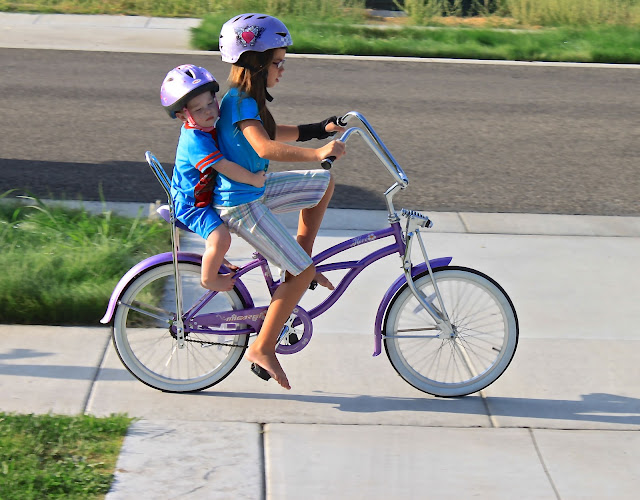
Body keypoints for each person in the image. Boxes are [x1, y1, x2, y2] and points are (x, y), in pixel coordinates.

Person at [216, 13, 347, 390]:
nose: (282, 69)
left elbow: (273, 131)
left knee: (322, 183)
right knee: (303, 273)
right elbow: (264, 146)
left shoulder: (245, 100)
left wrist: (317, 130)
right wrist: (317, 152)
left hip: (252, 190)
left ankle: (299, 264)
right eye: (278, 62)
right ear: (256, 63)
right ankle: (262, 347)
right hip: (240, 203)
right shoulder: (240, 102)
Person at [161, 64, 266, 291]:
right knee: (221, 238)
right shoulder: (195, 141)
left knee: (222, 234)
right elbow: (224, 166)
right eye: (199, 109)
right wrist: (252, 179)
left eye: (211, 103)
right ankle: (208, 279)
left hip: (203, 197)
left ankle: (216, 259)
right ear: (182, 115)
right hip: (191, 205)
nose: (208, 111)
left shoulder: (205, 128)